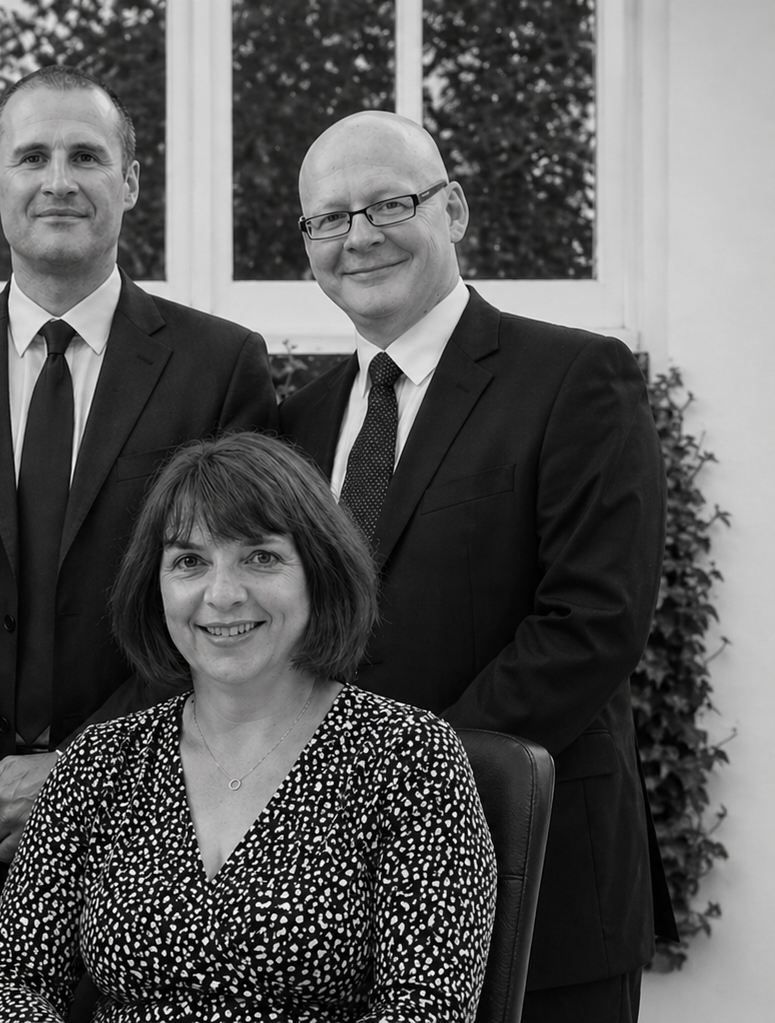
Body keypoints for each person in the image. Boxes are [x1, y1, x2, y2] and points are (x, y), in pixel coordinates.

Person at [0, 64, 277, 1023]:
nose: (59, 180)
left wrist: (79, 775)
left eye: (87, 156)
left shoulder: (221, 368)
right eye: (32, 156)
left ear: (130, 183)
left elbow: (238, 608)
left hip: (159, 843)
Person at [280, 110, 670, 1021]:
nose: (359, 235)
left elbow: (591, 622)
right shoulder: (297, 425)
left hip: (537, 886)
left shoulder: (575, 378)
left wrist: (404, 789)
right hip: (342, 913)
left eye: (388, 203)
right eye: (327, 219)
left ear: (451, 209)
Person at [0, 432, 496, 1022]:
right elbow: (9, 980)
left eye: (260, 557)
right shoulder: (100, 761)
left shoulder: (411, 758)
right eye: (190, 561)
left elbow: (426, 1007)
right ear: (156, 585)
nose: (222, 594)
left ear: (319, 573)